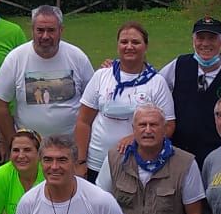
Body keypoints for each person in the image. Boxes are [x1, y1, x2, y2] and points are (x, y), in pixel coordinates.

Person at [74, 21, 175, 180]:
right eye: (124, 42)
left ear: (146, 46)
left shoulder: (156, 82)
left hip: (138, 165)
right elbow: (83, 121)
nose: (129, 46)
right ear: (117, 46)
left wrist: (137, 138)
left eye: (135, 42)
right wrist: (80, 161)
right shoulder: (101, 76)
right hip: (97, 163)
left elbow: (168, 125)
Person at [0, 6, 94, 157]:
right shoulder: (16, 58)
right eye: (40, 30)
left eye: (51, 30)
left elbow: (93, 102)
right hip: (30, 151)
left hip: (70, 149)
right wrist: (15, 142)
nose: (45, 36)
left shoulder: (77, 57)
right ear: (32, 30)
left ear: (61, 30)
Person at [159, 17, 221, 170]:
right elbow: (155, 86)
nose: (205, 43)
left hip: (219, 159)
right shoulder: (179, 65)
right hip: (178, 156)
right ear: (193, 41)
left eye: (212, 38)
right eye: (200, 38)